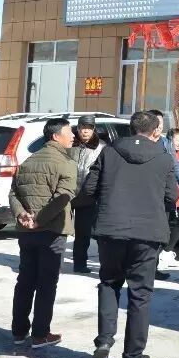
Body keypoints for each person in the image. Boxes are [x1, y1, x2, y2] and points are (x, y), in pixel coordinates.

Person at [82, 110, 179, 358]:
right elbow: (171, 196)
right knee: (140, 294)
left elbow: (89, 189)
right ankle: (132, 357)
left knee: (109, 283)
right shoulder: (163, 157)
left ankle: (104, 340)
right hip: (147, 233)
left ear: (131, 128)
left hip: (111, 229)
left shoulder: (109, 152)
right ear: (155, 131)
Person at [9, 118, 76, 348]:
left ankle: (19, 332)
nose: (73, 136)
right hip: (52, 231)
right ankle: (40, 334)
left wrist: (22, 215)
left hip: (27, 231)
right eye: (69, 132)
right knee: (47, 283)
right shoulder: (65, 163)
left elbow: (13, 193)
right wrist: (39, 220)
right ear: (56, 136)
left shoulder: (28, 160)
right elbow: (62, 199)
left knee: (25, 280)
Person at [148, 109, 179, 275]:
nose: (159, 127)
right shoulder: (140, 143)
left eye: (161, 123)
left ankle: (155, 266)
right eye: (156, 123)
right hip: (146, 194)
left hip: (164, 194)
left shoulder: (166, 144)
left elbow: (176, 167)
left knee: (161, 230)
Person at [69, 116, 106, 274]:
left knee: (84, 232)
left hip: (89, 196)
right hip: (67, 193)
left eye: (89, 128)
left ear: (94, 129)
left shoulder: (102, 147)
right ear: (77, 128)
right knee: (59, 231)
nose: (85, 131)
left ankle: (80, 263)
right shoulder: (69, 143)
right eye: (83, 127)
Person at [157, 129, 179, 282]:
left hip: (176, 192)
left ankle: (166, 251)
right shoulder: (166, 151)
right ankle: (163, 253)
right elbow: (176, 170)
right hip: (169, 192)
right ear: (170, 140)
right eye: (177, 140)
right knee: (169, 224)